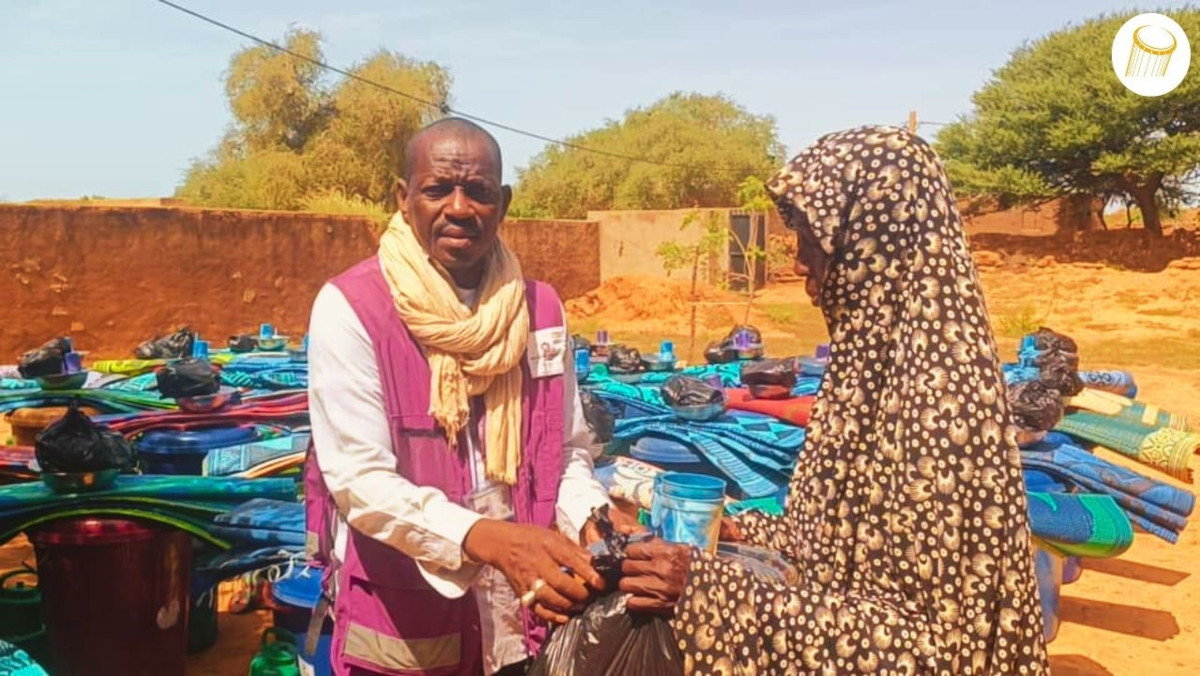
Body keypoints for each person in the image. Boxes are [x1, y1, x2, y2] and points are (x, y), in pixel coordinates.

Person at [619, 126, 1050, 674]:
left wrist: (707, 590)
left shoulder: (941, 409)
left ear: (877, 243)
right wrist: (735, 529)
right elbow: (835, 546)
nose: (799, 263)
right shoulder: (869, 376)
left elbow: (930, 649)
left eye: (814, 240)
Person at [306, 117, 624, 676]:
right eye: (437, 190)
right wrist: (487, 538)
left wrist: (586, 519)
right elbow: (359, 480)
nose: (459, 207)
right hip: (410, 622)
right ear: (405, 200)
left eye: (478, 192)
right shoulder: (352, 308)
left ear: (502, 202)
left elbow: (567, 451)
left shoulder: (540, 311)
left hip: (526, 613)